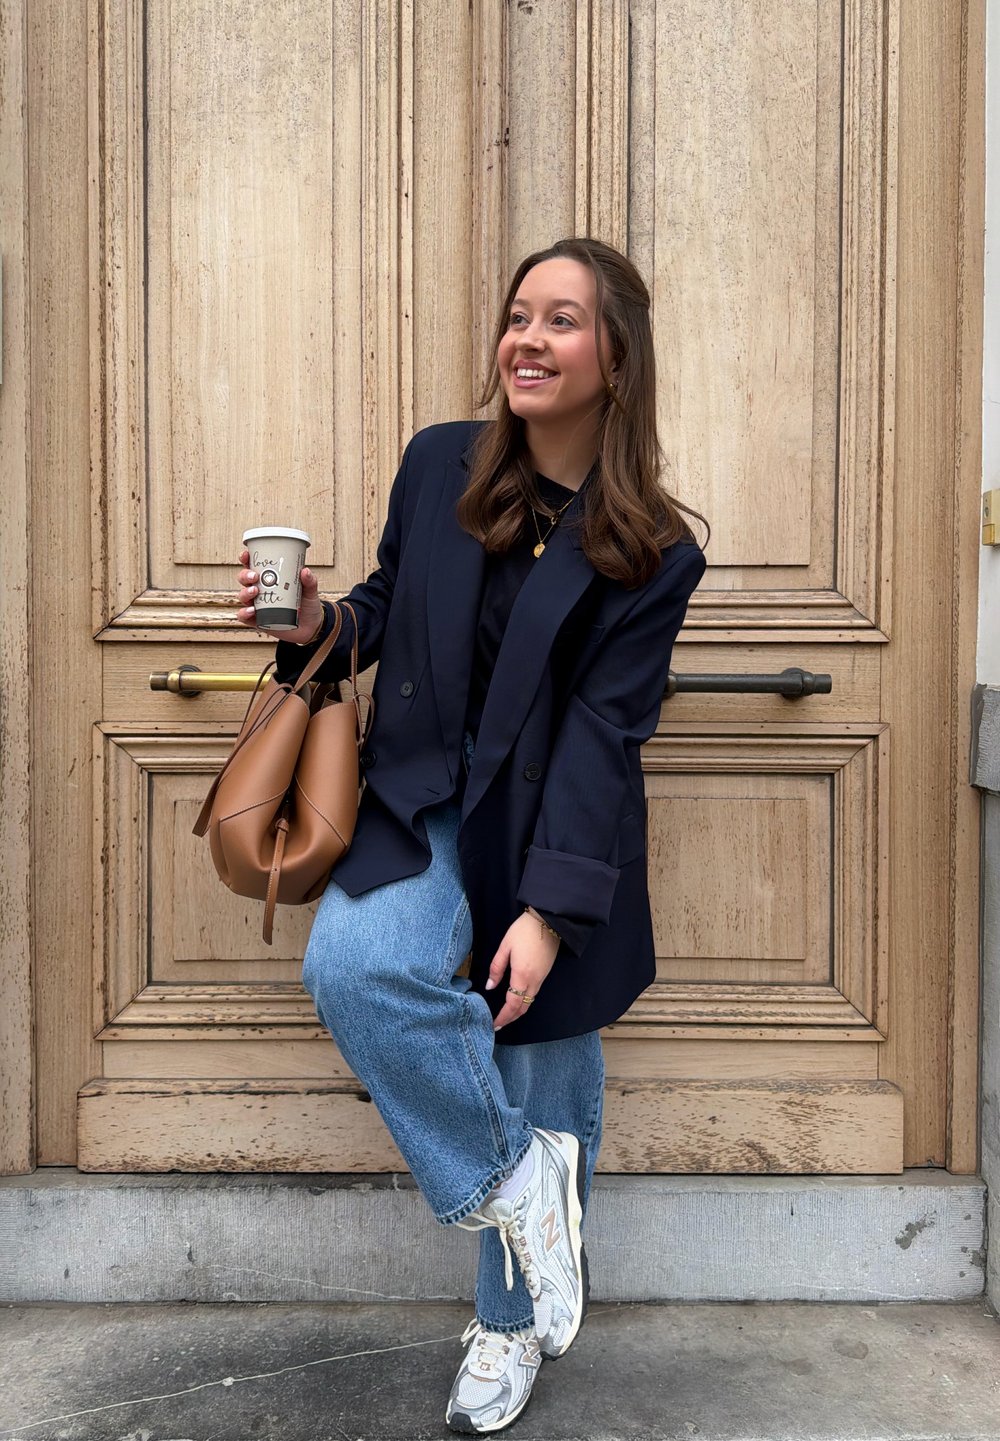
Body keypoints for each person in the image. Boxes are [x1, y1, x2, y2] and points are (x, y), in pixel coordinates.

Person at [235, 236, 710, 1434]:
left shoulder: (654, 547)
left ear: (615, 356)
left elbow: (607, 730)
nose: (528, 340)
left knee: (534, 1045)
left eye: (560, 320)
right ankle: (515, 1180)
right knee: (354, 965)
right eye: (517, 316)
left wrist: (550, 912)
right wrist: (312, 621)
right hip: (415, 799)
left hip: (550, 827)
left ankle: (506, 1328)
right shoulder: (441, 462)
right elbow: (388, 606)